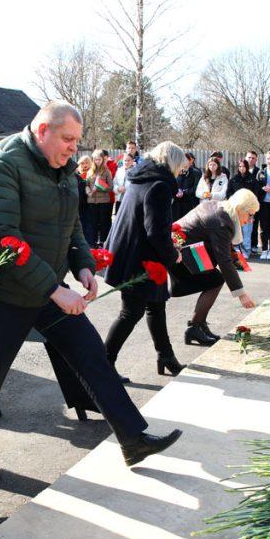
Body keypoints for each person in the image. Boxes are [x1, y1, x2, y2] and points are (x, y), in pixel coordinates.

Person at [0, 100, 181, 481]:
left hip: (45, 286)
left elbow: (71, 224)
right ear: (42, 130)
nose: (74, 148)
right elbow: (2, 237)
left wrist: (84, 266)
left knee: (92, 354)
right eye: (68, 139)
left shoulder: (61, 167)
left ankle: (133, 437)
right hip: (1, 291)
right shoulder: (0, 163)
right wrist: (56, 291)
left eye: (77, 141)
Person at [104, 141, 186, 377]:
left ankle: (165, 356)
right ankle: (103, 364)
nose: (180, 172)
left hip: (133, 253)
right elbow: (156, 231)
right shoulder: (159, 185)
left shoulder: (140, 178)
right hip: (141, 259)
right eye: (179, 167)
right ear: (172, 163)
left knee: (156, 306)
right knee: (131, 312)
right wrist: (173, 254)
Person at [173, 189, 259, 346]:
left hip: (184, 248)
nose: (251, 219)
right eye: (250, 214)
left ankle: (199, 324)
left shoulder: (221, 208)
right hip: (179, 254)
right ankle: (195, 327)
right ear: (240, 209)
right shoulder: (222, 220)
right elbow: (224, 260)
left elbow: (222, 249)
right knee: (215, 280)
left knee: (213, 279)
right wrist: (241, 294)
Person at [226, 159, 257, 257]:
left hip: (247, 210)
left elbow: (255, 194)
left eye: (243, 166)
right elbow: (229, 193)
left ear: (247, 167)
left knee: (247, 231)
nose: (241, 168)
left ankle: (246, 250)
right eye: (240, 166)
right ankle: (236, 250)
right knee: (236, 231)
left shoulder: (252, 179)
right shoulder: (234, 179)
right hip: (236, 209)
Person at [85, 150, 114, 248]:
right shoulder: (90, 171)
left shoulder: (106, 171)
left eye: (99, 159)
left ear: (102, 159)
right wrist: (88, 192)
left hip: (103, 202)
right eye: (95, 159)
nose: (97, 161)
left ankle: (103, 242)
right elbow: (86, 185)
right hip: (92, 201)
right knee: (92, 223)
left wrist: (101, 185)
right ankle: (92, 243)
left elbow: (111, 187)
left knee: (103, 223)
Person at [173, 152, 200, 220]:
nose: (184, 163)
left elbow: (197, 188)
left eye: (186, 160)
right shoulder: (175, 172)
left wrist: (184, 192)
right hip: (176, 204)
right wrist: (176, 191)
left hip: (190, 203)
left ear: (190, 161)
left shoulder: (196, 173)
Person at [244, 151, 261, 253]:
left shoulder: (259, 171)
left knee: (254, 224)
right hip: (243, 203)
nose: (251, 159)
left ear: (256, 159)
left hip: (255, 202)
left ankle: (254, 244)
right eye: (249, 157)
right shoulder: (241, 170)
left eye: (253, 158)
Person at [76, 154, 94, 246]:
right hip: (79, 203)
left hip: (89, 201)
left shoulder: (92, 174)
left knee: (88, 222)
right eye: (82, 163)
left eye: (87, 163)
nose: (85, 165)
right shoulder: (77, 175)